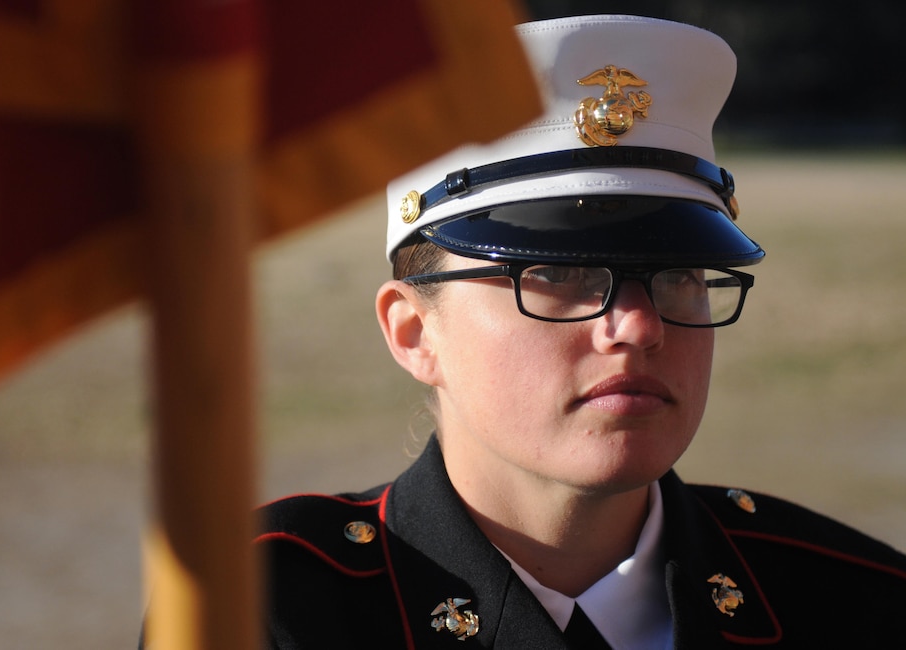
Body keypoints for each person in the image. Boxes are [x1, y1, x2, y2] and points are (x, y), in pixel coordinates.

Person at [257, 14, 906, 649]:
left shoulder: (855, 605)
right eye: (560, 274)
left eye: (679, 274)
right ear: (414, 333)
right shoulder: (269, 611)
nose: (639, 325)